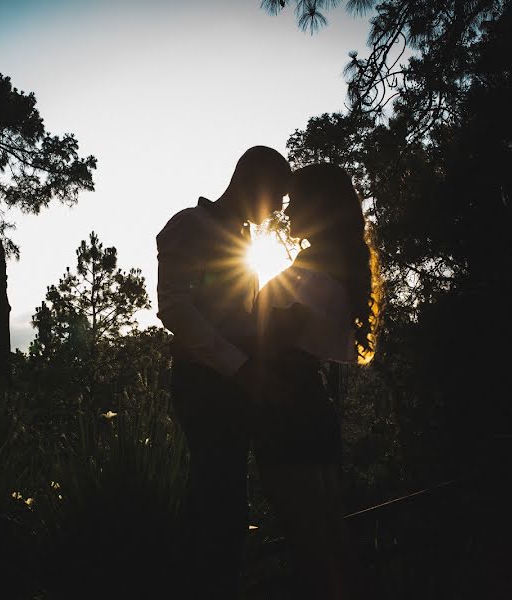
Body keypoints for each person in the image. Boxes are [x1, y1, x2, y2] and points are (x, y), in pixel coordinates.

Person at [156, 145, 290, 599]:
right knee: (221, 503)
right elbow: (174, 307)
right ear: (252, 184)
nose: (277, 211)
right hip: (204, 386)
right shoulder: (187, 226)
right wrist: (240, 367)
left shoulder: (246, 241)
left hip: (234, 388)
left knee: (220, 500)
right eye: (276, 199)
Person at [253, 162, 380, 599]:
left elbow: (275, 338)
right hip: (308, 407)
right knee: (328, 541)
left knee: (313, 548)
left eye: (296, 203)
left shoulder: (316, 267)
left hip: (290, 411)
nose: (287, 214)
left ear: (320, 205)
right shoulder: (330, 261)